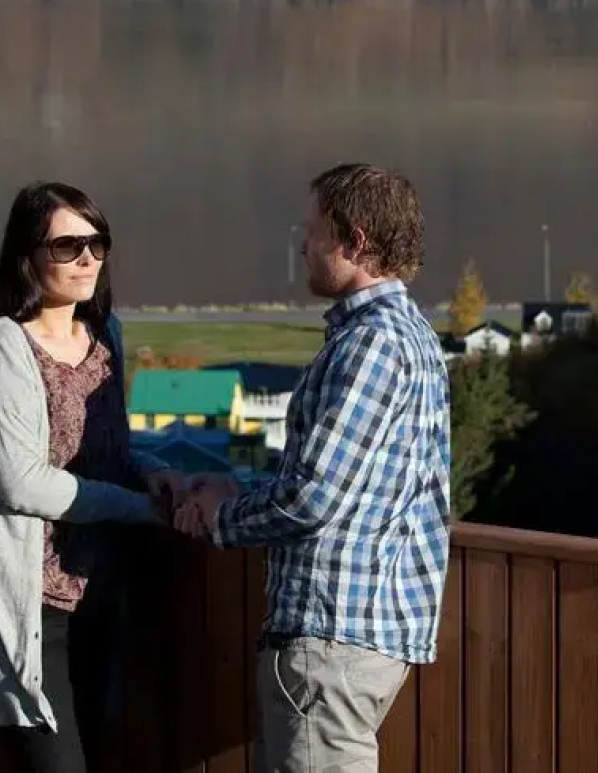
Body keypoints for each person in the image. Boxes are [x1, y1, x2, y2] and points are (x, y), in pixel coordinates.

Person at [175, 163, 452, 773]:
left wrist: (222, 515)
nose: (303, 245)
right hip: (358, 637)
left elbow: (313, 498)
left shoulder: (373, 343)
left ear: (353, 241)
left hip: (332, 640)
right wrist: (241, 489)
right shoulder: (413, 335)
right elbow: (345, 481)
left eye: (312, 231)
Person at [0, 181, 183, 773]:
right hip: (34, 611)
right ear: (26, 254)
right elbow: (22, 483)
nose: (87, 259)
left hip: (105, 595)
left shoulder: (107, 333)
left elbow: (112, 449)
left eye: (97, 243)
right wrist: (139, 509)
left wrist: (157, 474)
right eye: (66, 246)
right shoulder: (2, 347)